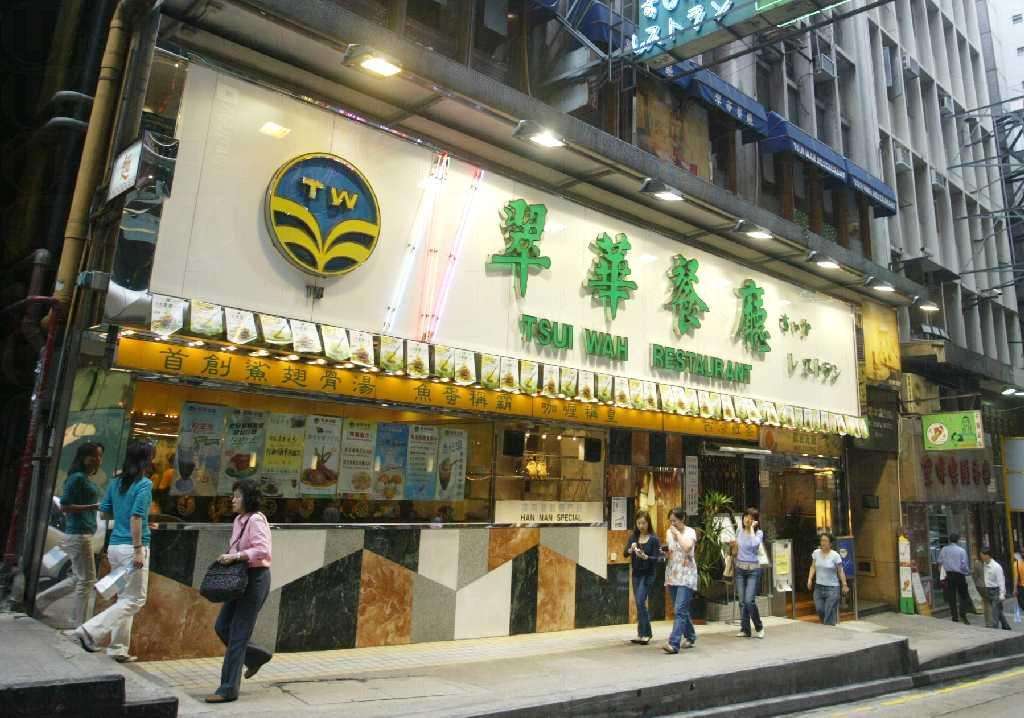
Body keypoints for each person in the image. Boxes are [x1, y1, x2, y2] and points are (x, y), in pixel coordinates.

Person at [70, 441, 154, 662]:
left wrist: (135, 521)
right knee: (135, 600)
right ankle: (89, 631)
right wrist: (138, 548)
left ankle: (118, 649)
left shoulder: (116, 482)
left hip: (115, 546)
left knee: (124, 598)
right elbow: (136, 516)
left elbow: (105, 512)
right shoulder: (144, 484)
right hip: (132, 548)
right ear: (147, 460)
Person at [206, 478, 273, 704]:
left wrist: (236, 556)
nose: (233, 500)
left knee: (238, 633)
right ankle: (257, 656)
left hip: (255, 579)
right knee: (222, 626)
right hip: (238, 578)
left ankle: (227, 689)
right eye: (233, 496)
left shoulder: (256, 519)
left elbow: (262, 550)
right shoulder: (239, 520)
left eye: (237, 496)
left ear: (248, 498)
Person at [36, 442, 104, 625]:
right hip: (78, 534)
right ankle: (77, 623)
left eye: (100, 456)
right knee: (87, 579)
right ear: (84, 458)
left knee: (78, 578)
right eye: (95, 456)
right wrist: (93, 506)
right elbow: (65, 506)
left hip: (82, 533)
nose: (98, 460)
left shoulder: (83, 478)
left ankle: (41, 602)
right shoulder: (77, 478)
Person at [662, 507, 698, 654]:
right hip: (673, 574)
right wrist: (664, 553)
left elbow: (687, 547)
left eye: (675, 521)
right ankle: (690, 636)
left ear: (682, 519)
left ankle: (673, 643)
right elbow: (671, 552)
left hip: (687, 575)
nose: (672, 524)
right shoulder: (668, 533)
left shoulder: (690, 532)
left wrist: (677, 533)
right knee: (681, 610)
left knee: (680, 609)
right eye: (670, 521)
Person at [625, 510, 660, 645]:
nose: (641, 526)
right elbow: (625, 553)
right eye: (639, 523)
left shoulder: (654, 539)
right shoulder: (633, 537)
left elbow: (656, 558)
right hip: (636, 574)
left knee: (640, 601)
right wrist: (630, 550)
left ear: (648, 523)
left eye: (644, 523)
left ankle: (647, 633)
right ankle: (641, 634)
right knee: (639, 604)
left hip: (648, 574)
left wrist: (646, 557)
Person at [732, 507, 765, 639]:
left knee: (749, 601)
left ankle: (759, 627)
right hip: (740, 569)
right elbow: (736, 548)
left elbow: (754, 545)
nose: (747, 519)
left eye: (751, 518)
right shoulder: (739, 530)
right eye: (746, 516)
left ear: (755, 521)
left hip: (753, 571)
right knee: (741, 601)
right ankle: (745, 629)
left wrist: (751, 529)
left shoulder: (759, 533)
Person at [807, 533, 849, 626]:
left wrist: (844, 584)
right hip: (819, 587)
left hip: (832, 588)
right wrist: (810, 579)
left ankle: (828, 629)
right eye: (822, 540)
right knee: (820, 609)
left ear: (830, 543)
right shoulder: (816, 553)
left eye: (825, 541)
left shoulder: (835, 555)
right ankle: (828, 627)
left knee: (828, 611)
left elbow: (840, 571)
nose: (823, 543)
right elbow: (813, 567)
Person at [937, 533, 971, 624]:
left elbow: (939, 562)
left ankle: (954, 617)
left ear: (949, 540)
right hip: (959, 575)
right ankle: (963, 614)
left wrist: (942, 575)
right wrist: (967, 572)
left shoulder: (944, 549)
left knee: (951, 597)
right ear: (958, 540)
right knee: (963, 595)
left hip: (948, 575)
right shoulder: (961, 551)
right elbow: (964, 565)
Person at [979, 547, 1011, 630]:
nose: (981, 557)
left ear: (987, 555)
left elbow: (1001, 581)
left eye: (982, 555)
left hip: (996, 590)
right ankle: (1006, 626)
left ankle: (994, 629)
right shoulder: (984, 565)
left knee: (994, 611)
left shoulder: (996, 567)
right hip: (988, 590)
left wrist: (1002, 594)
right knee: (998, 610)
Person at [971, 549, 992, 626]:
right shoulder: (990, 563)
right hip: (988, 586)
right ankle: (990, 622)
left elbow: (974, 576)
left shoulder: (977, 564)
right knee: (989, 604)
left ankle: (988, 622)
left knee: (986, 603)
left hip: (980, 586)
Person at [1013, 545, 1024, 618]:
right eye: (1022, 552)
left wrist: (1015, 590)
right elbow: (1016, 577)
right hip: (1021, 587)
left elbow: (1016, 577)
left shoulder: (1016, 563)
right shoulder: (1016, 564)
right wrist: (1015, 589)